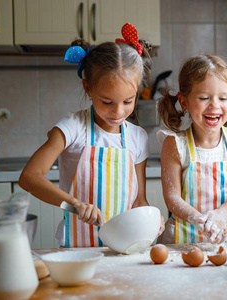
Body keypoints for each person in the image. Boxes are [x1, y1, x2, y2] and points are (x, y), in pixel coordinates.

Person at [19, 23, 163, 247]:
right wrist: (73, 204)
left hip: (125, 248)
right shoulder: (72, 128)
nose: (118, 112)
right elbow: (29, 177)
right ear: (88, 88)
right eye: (107, 102)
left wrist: (152, 220)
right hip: (78, 247)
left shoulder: (138, 137)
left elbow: (139, 200)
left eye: (128, 101)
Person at [157, 54, 227, 244]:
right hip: (182, 242)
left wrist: (221, 214)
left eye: (223, 98)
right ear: (184, 102)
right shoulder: (175, 144)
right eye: (204, 97)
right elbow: (172, 196)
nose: (214, 105)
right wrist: (201, 221)